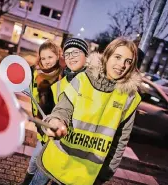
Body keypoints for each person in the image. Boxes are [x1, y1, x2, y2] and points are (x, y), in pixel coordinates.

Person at [36, 37, 142, 185]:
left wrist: (105, 173)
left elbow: (120, 140)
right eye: (117, 57)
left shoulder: (130, 98)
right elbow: (63, 109)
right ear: (107, 55)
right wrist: (56, 121)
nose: (122, 65)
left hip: (86, 175)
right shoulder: (83, 79)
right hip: (60, 161)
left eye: (128, 61)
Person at [22, 38, 89, 185]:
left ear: (58, 56)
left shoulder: (65, 75)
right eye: (43, 58)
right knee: (34, 162)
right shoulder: (35, 73)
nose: (46, 61)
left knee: (43, 169)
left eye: (50, 57)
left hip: (59, 131)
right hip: (43, 127)